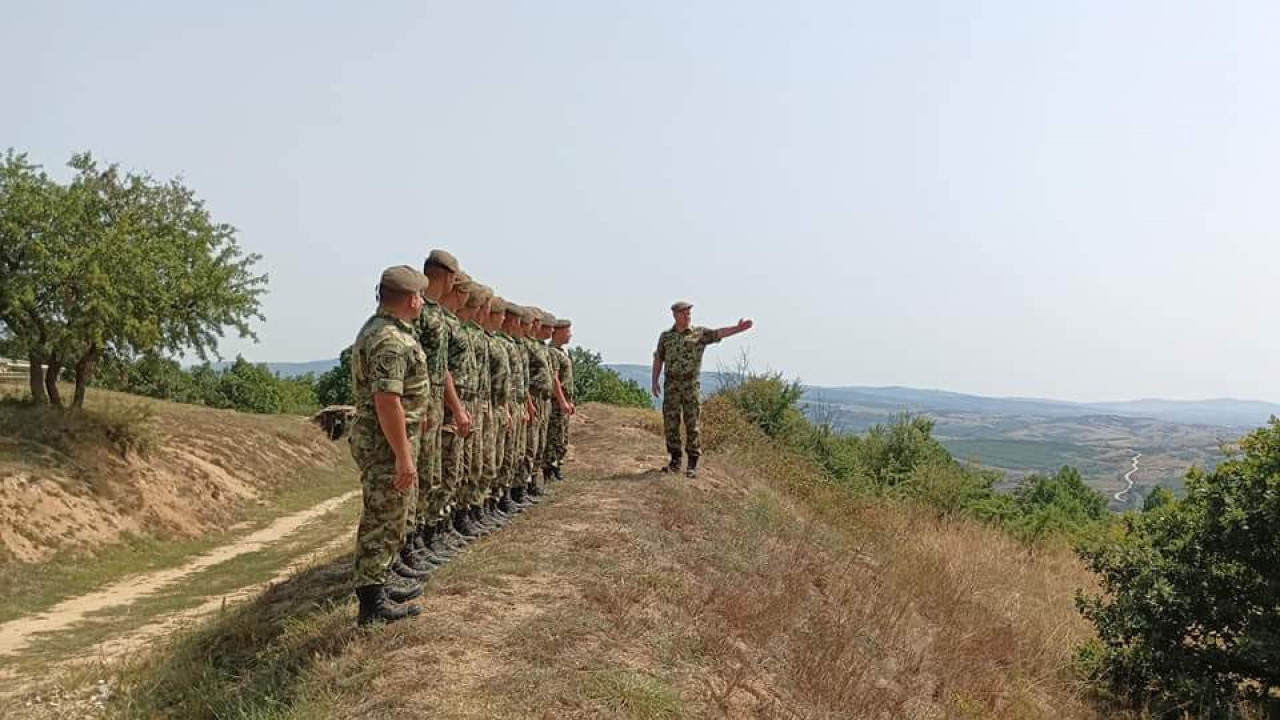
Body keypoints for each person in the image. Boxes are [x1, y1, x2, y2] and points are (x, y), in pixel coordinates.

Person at [349, 266, 432, 625]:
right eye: (421, 296)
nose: (423, 302)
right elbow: (387, 401)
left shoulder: (384, 330)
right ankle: (371, 606)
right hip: (385, 444)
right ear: (412, 298)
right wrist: (403, 457)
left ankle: (380, 585)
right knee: (382, 518)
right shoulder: (389, 341)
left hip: (388, 441)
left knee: (392, 516)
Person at [651, 301, 753, 478]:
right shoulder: (666, 337)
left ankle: (692, 464)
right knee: (671, 424)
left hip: (690, 386)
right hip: (672, 386)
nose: (687, 315)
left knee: (692, 424)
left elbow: (719, 333)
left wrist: (738, 329)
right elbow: (659, 358)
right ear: (675, 315)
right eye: (683, 312)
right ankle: (675, 461)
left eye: (689, 312)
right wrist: (654, 381)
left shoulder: (699, 334)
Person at [543, 318, 575, 481]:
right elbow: (554, 379)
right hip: (556, 401)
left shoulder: (563, 352)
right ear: (559, 332)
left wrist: (569, 400)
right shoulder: (553, 352)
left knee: (562, 435)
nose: (570, 335)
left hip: (564, 400)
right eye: (567, 331)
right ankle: (549, 468)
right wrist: (562, 400)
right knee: (554, 435)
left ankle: (557, 465)